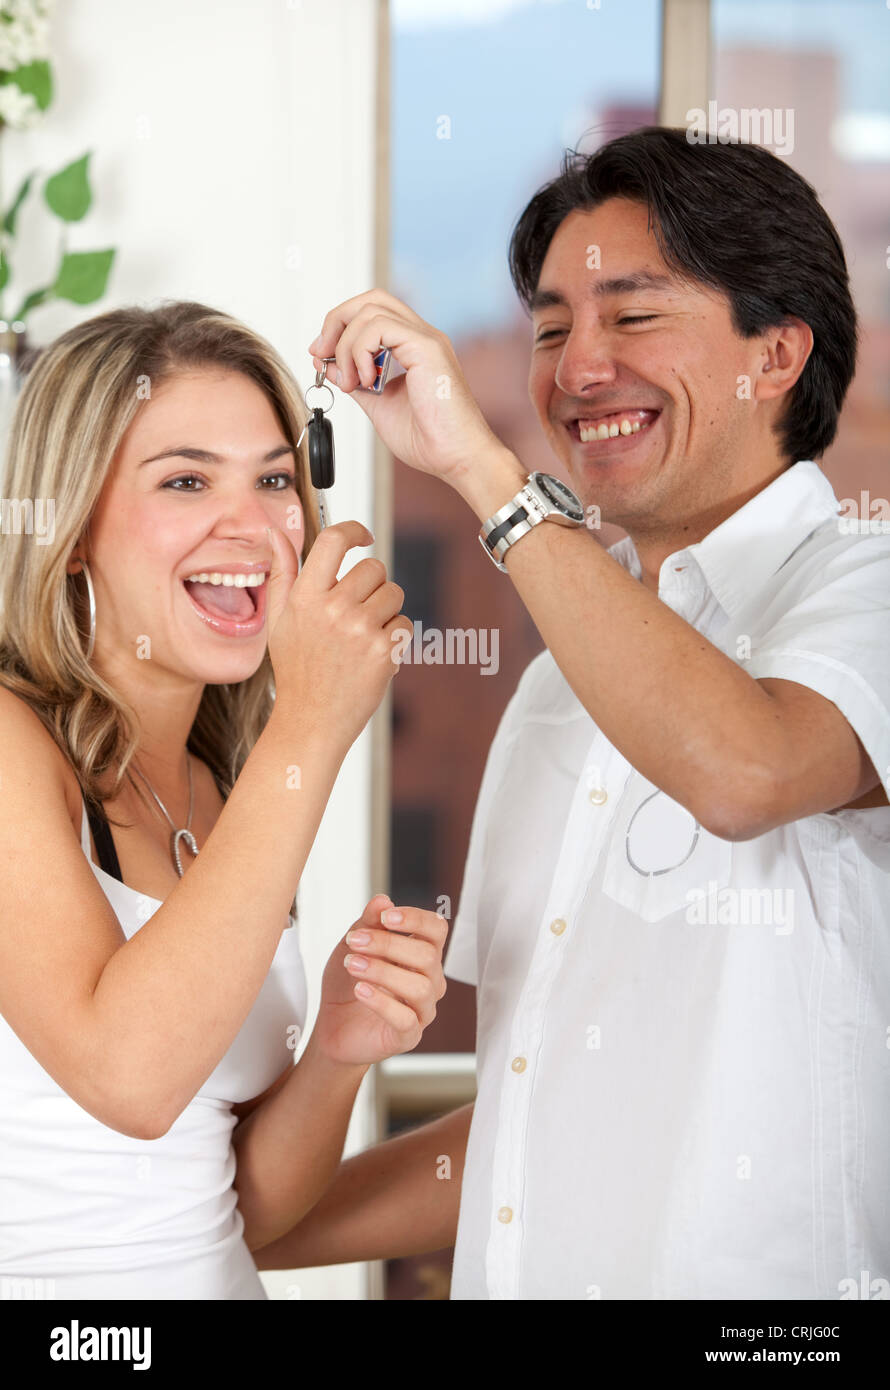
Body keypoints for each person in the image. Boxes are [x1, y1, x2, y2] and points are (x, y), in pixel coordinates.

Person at [251, 127, 890, 1300]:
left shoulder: (866, 584)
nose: (575, 370)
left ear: (778, 352)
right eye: (549, 330)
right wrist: (277, 1217)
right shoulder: (555, 692)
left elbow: (742, 769)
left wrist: (485, 473)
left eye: (630, 317)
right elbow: (534, 1096)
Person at [0, 300, 448, 1300]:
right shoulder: (10, 742)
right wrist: (312, 725)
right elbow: (130, 1080)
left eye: (276, 479)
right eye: (186, 479)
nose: (250, 525)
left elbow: (237, 1206)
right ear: (72, 530)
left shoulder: (222, 779)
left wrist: (336, 1047)